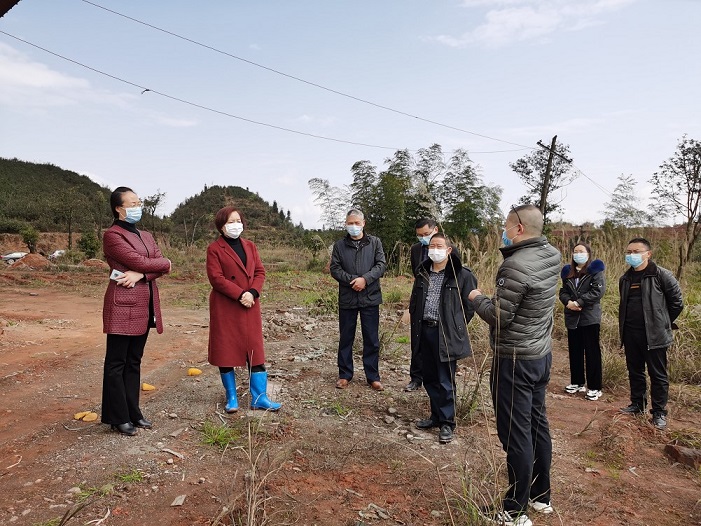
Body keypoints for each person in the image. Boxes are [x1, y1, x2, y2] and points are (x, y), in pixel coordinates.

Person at [469, 204, 560, 526]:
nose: (503, 231)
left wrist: (477, 298)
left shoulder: (515, 265)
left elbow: (499, 316)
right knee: (537, 425)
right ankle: (540, 496)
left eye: (506, 225)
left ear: (519, 228)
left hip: (515, 360)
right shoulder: (552, 254)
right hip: (540, 355)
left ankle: (514, 510)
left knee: (515, 434)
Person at [102, 187, 172, 436]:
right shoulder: (112, 235)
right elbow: (144, 261)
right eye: (131, 203)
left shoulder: (146, 235)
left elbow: (161, 265)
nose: (137, 207)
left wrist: (142, 274)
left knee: (134, 361)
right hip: (122, 305)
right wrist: (156, 265)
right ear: (118, 209)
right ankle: (117, 417)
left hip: (145, 304)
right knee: (116, 362)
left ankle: (134, 412)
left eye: (138, 202)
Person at [207, 207, 281, 412]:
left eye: (238, 221)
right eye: (230, 222)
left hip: (250, 304)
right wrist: (240, 294)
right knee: (226, 350)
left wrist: (253, 293)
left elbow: (259, 272)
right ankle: (232, 397)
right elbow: (216, 278)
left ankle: (259, 397)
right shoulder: (214, 249)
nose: (235, 225)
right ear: (221, 226)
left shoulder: (250, 246)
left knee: (255, 350)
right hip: (226, 306)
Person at [409, 233, 476, 444]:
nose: (434, 250)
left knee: (445, 379)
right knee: (429, 377)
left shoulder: (461, 275)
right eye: (432, 246)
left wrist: (455, 326)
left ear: (448, 250)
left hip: (445, 334)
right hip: (425, 330)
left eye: (439, 246)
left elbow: (469, 306)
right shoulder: (423, 272)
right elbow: (415, 300)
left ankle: (447, 422)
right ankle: (436, 416)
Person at [619, 237, 682, 429]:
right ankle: (637, 405)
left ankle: (659, 412)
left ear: (648, 254)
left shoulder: (661, 275)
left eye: (636, 252)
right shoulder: (625, 278)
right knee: (635, 371)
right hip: (630, 333)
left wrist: (661, 322)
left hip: (654, 335)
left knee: (658, 375)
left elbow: (677, 303)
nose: (631, 255)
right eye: (629, 252)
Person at [330, 209, 387, 391]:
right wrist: (353, 280)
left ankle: (373, 376)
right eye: (350, 223)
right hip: (348, 297)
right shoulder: (339, 246)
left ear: (363, 223)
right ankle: (345, 374)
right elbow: (335, 268)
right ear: (345, 224)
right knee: (346, 337)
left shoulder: (375, 242)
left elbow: (381, 265)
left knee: (371, 338)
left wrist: (365, 279)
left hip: (370, 297)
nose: (353, 226)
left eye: (356, 223)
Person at [405, 218, 459, 392]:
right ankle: (416, 377)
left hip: (441, 305)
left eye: (426, 234)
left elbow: (456, 277)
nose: (423, 238)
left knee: (438, 347)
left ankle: (441, 382)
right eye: (419, 235)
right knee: (417, 342)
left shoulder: (450, 249)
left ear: (435, 230)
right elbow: (417, 276)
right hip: (422, 300)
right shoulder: (415, 249)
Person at [559, 243, 605, 401]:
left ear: (588, 254)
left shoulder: (595, 271)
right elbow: (563, 291)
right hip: (572, 317)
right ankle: (577, 382)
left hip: (589, 317)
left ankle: (595, 387)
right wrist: (568, 302)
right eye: (575, 251)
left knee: (592, 352)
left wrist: (579, 302)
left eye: (581, 251)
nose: (578, 254)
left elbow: (597, 292)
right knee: (575, 350)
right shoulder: (568, 272)